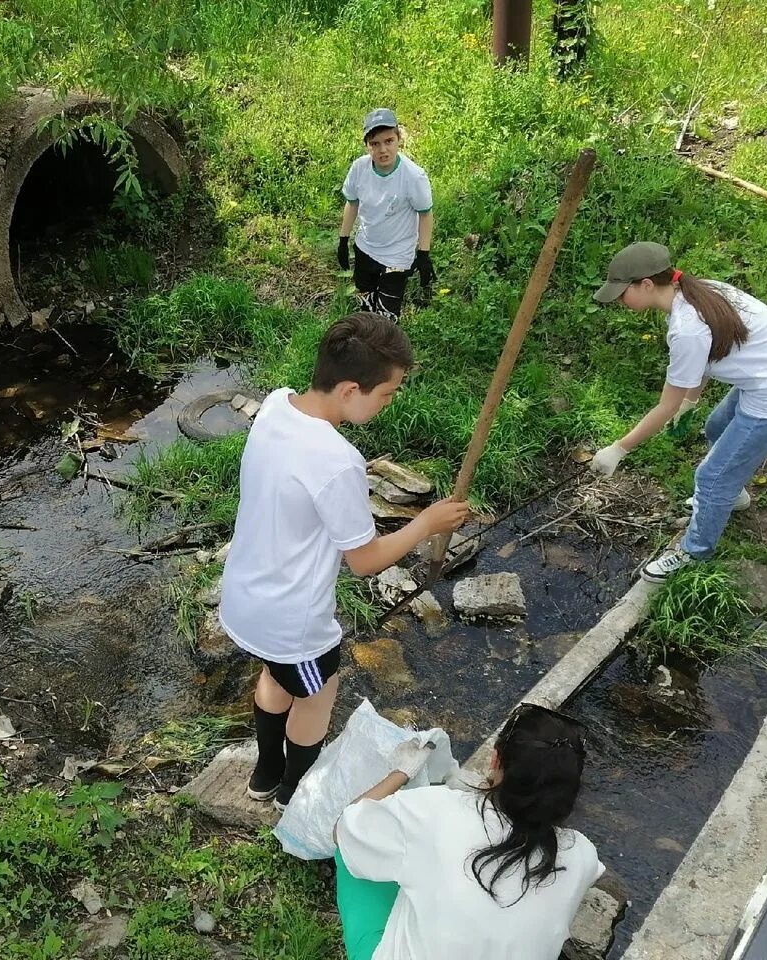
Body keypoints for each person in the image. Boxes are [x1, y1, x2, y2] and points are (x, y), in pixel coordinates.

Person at [219, 312, 470, 810]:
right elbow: (365, 560)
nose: (390, 402)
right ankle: (293, 796)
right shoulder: (338, 462)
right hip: (293, 622)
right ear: (351, 389)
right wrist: (425, 524)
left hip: (245, 596)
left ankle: (264, 776)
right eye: (387, 393)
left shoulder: (275, 406)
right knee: (317, 694)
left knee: (276, 676)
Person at [588, 242, 767, 582]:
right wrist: (691, 402)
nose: (619, 301)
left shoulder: (686, 328)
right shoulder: (700, 291)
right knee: (716, 429)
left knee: (711, 478)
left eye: (622, 293)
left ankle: (695, 553)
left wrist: (619, 448)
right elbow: (703, 363)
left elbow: (665, 405)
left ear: (647, 285)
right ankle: (732, 496)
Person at [333, 704, 603, 960]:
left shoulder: (439, 811)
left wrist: (402, 772)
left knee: (351, 851)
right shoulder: (582, 854)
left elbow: (344, 829)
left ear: (495, 759)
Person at [337, 108, 436, 319]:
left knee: (387, 319)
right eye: (375, 144)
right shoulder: (359, 168)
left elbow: (425, 214)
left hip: (396, 257)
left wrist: (424, 254)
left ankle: (385, 350)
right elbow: (352, 203)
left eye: (389, 141)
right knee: (367, 307)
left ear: (398, 139)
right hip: (365, 248)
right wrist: (343, 241)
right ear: (367, 145)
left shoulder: (413, 176)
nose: (383, 150)